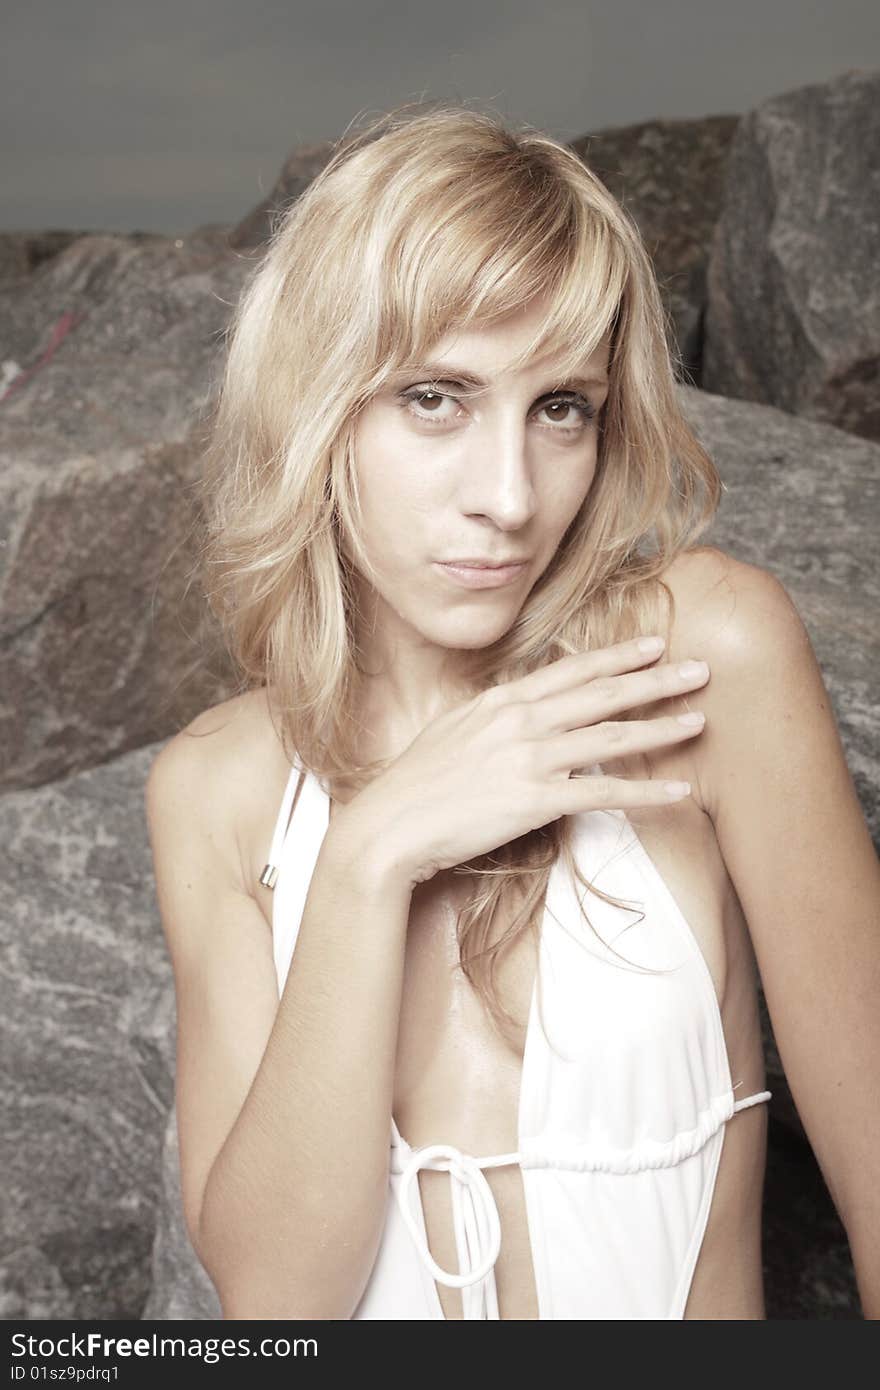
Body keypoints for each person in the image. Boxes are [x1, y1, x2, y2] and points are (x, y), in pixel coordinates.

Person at [145, 103, 880, 1320]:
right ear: (318, 404)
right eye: (436, 398)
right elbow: (279, 1304)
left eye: (561, 408)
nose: (508, 496)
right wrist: (370, 854)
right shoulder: (218, 786)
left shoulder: (700, 663)